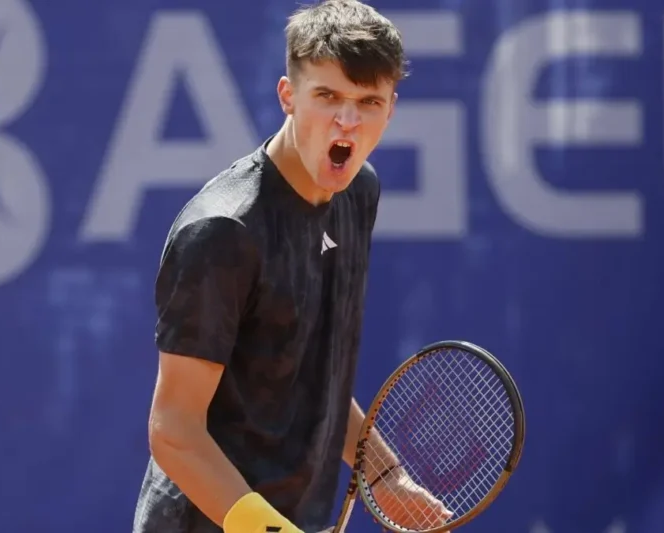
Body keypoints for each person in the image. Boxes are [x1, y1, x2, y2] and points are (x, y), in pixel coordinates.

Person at [131, 1, 451, 532]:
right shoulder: (223, 231)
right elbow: (173, 429)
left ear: (390, 109)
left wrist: (386, 477)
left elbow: (307, 375)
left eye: (368, 101)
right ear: (288, 97)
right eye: (327, 97)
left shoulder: (357, 194)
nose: (347, 121)